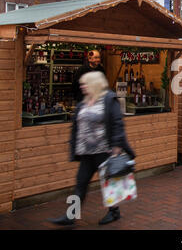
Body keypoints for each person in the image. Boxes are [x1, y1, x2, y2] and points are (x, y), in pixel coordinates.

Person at [49, 71, 136, 226]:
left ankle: (114, 212)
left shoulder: (109, 100)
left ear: (94, 84)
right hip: (86, 153)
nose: (81, 86)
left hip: (104, 151)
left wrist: (116, 145)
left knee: (109, 184)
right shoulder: (83, 102)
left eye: (85, 83)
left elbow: (117, 123)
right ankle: (70, 216)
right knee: (80, 183)